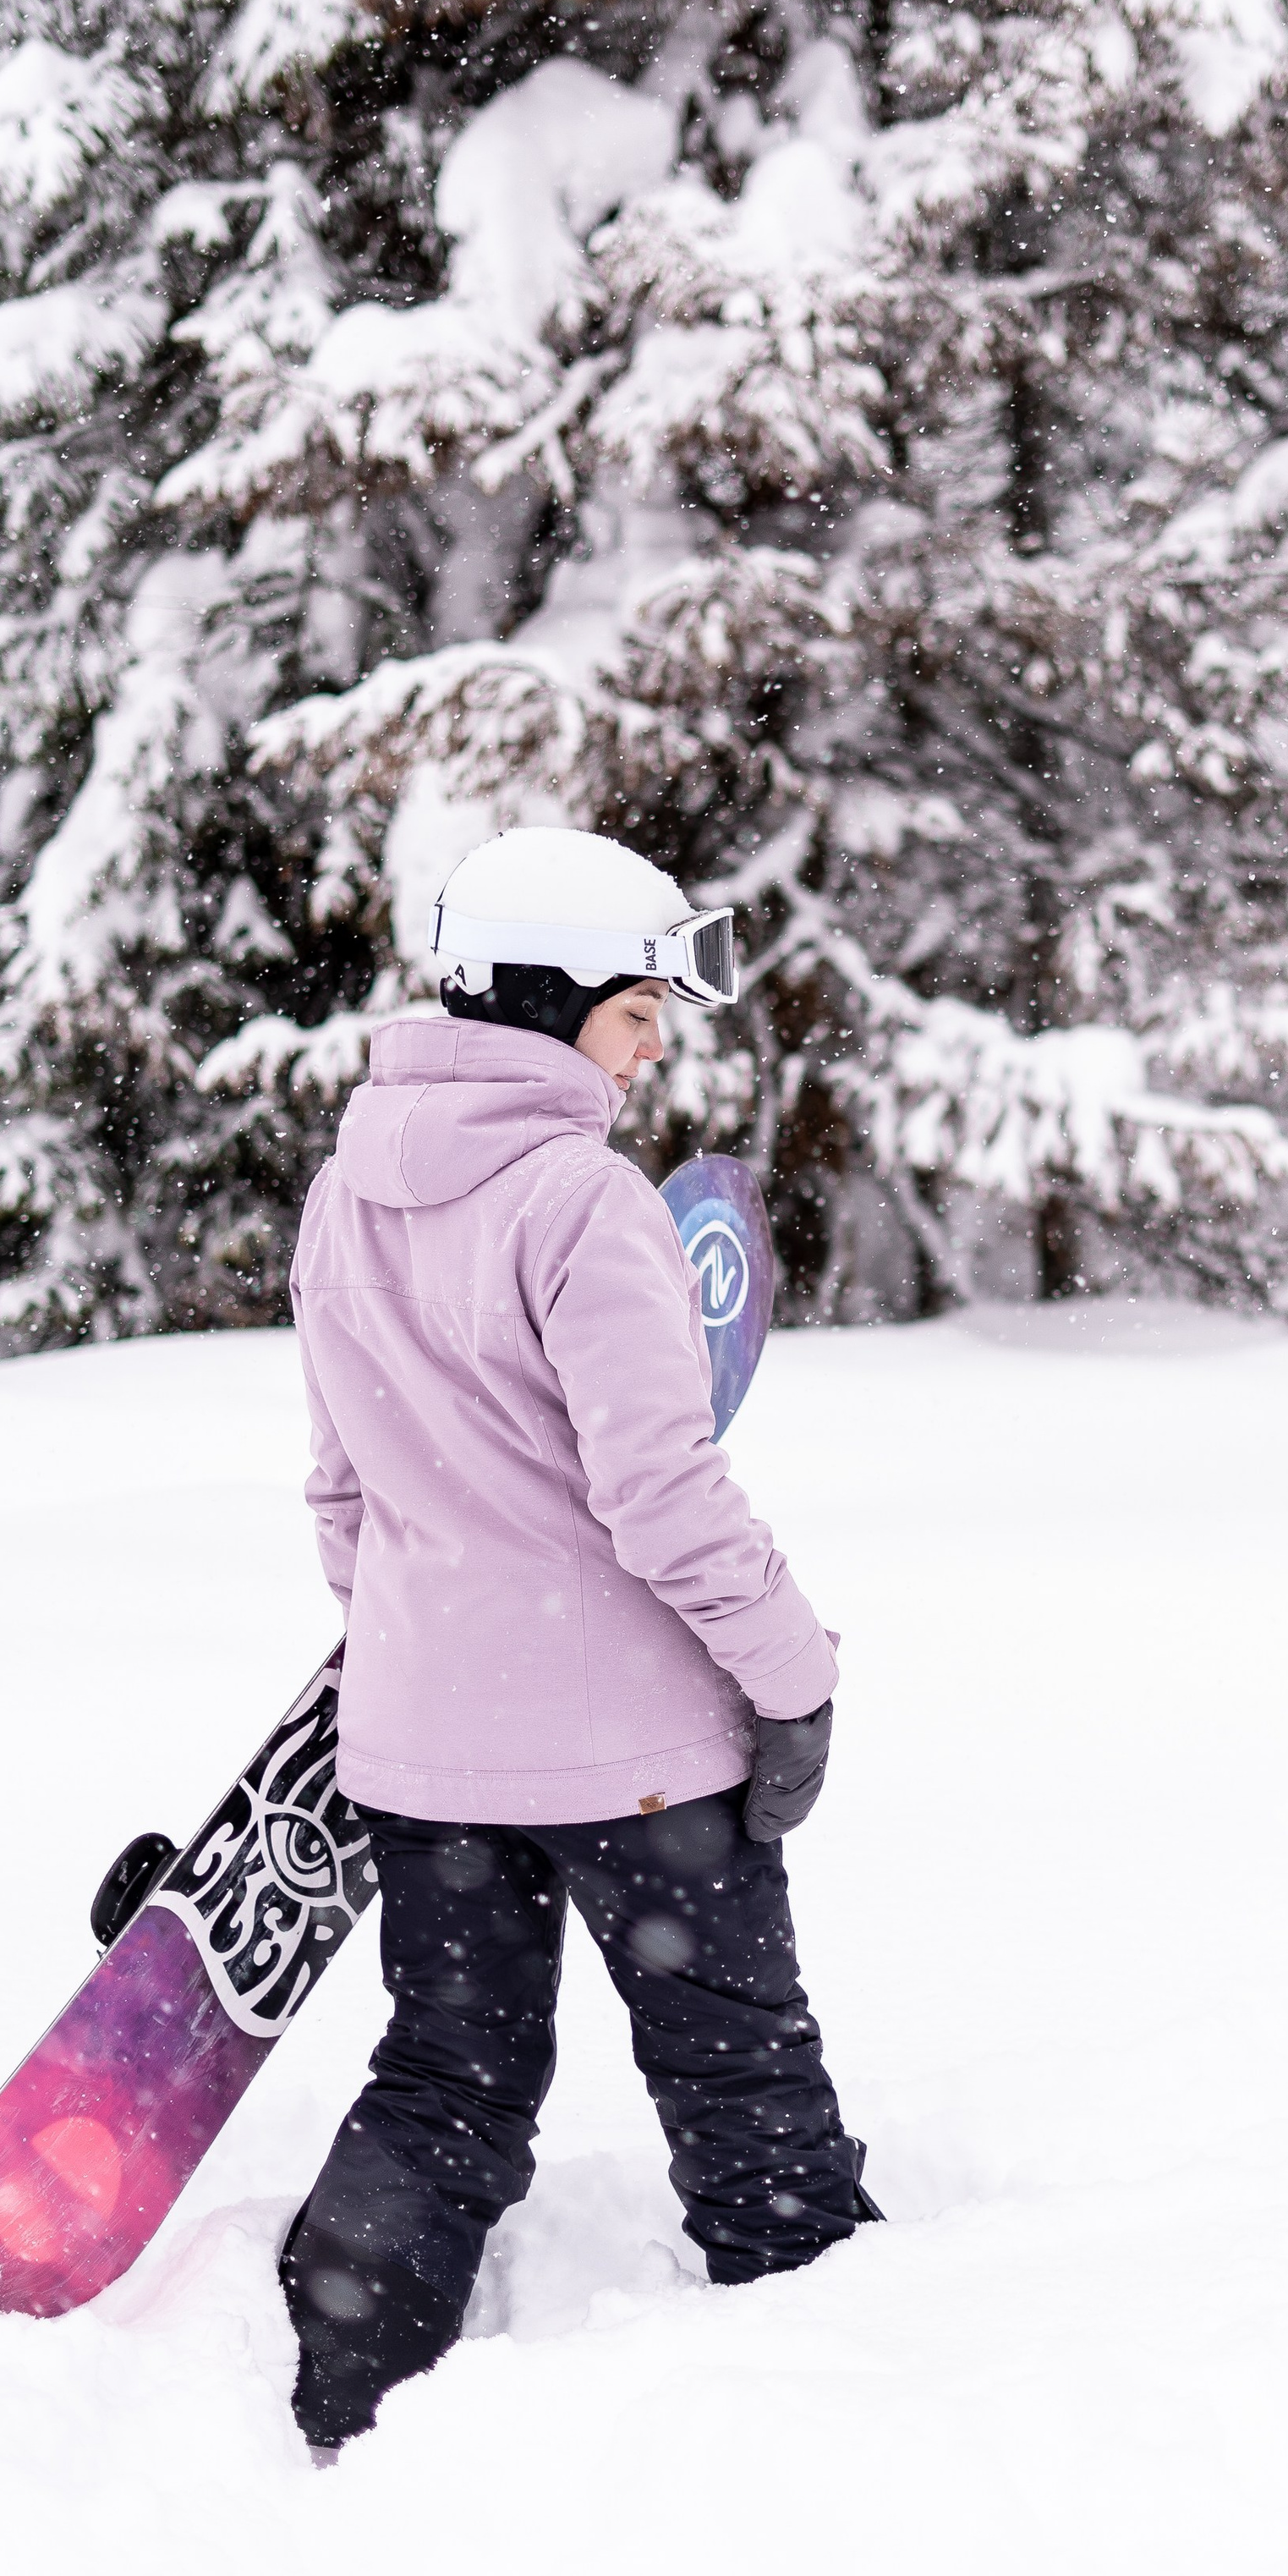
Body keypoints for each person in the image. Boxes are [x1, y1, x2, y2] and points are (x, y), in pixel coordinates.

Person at [279, 827, 872, 2460]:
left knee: (447, 2077)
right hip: (638, 1765)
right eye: (636, 1012)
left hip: (423, 1755)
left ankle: (335, 2395)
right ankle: (845, 2401)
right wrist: (796, 1675)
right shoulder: (582, 1198)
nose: (655, 1047)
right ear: (550, 1004)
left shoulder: (344, 1194)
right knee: (739, 2077)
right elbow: (660, 1492)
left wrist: (427, 1662)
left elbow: (342, 1492)